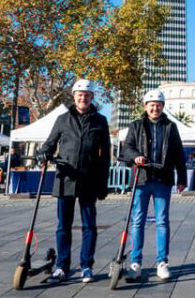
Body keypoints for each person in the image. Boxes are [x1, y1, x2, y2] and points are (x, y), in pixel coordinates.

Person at [37, 79, 111, 284]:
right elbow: (49, 144)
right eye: (80, 94)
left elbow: (105, 155)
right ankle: (62, 266)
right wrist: (42, 154)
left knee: (89, 225)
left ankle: (87, 266)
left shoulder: (100, 121)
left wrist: (103, 183)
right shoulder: (62, 119)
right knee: (63, 226)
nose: (83, 97)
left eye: (87, 95)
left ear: (92, 97)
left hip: (89, 178)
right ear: (74, 95)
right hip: (65, 177)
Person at [120, 89, 187, 282]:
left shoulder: (170, 127)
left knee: (162, 220)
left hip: (162, 179)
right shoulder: (136, 125)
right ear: (145, 107)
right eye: (152, 105)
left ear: (163, 107)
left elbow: (178, 153)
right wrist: (136, 157)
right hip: (141, 179)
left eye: (158, 105)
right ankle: (135, 262)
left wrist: (181, 178)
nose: (155, 108)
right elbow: (127, 149)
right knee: (137, 220)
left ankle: (162, 262)